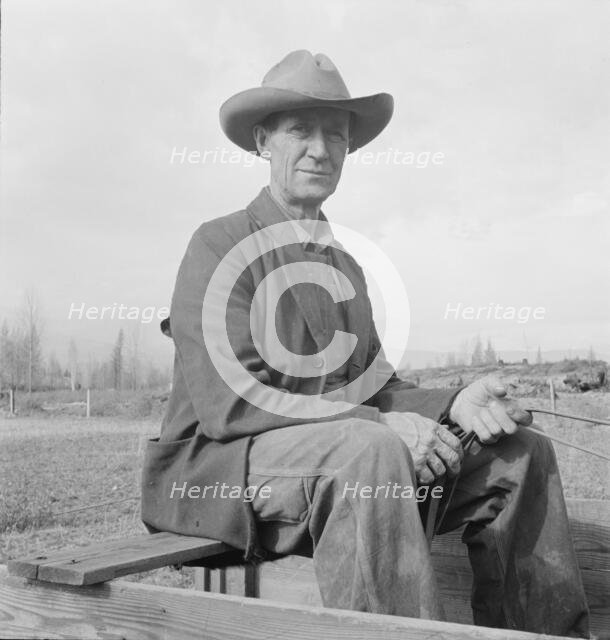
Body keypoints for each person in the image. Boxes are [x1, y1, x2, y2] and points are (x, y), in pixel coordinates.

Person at [141, 50, 589, 637]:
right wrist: (377, 426)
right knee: (368, 451)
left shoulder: (344, 265)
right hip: (219, 469)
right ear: (262, 141)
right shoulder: (218, 243)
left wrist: (455, 405)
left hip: (333, 458)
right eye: (300, 130)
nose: (321, 150)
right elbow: (231, 406)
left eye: (336, 136)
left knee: (520, 454)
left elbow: (376, 389)